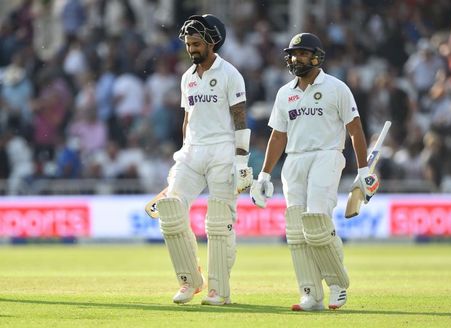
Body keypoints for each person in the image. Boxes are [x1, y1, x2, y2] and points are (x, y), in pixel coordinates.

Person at [250, 33, 379, 311]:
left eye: (303, 54)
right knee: (296, 230)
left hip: (327, 155)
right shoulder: (285, 93)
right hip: (294, 161)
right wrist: (264, 174)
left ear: (317, 57)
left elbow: (354, 129)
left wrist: (364, 170)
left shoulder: (337, 88)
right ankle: (310, 293)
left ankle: (336, 284)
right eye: (293, 54)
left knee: (317, 222)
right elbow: (277, 136)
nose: (297, 59)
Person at [156, 14, 252, 306]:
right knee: (170, 210)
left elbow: (240, 119)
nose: (191, 50)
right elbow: (188, 118)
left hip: (223, 150)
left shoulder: (230, 74)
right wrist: (183, 152)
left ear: (212, 42)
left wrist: (241, 160)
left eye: (196, 44)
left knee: (220, 222)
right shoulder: (188, 77)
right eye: (188, 44)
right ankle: (190, 281)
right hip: (193, 151)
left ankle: (219, 289)